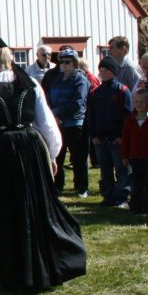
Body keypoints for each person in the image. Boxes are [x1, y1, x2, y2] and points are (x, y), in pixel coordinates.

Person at [0, 36, 87, 291]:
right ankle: (40, 267)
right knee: (34, 204)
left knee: (5, 207)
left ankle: (15, 271)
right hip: (30, 146)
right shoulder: (30, 83)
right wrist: (51, 155)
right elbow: (47, 123)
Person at [88, 56, 133, 208]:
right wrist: (93, 135)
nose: (103, 73)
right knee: (105, 169)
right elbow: (91, 116)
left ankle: (122, 197)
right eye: (101, 70)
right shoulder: (95, 92)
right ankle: (108, 196)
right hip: (100, 139)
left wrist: (122, 136)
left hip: (117, 139)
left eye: (106, 70)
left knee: (121, 169)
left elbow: (127, 116)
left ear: (113, 71)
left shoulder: (122, 91)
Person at [47, 47, 91, 198]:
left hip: (75, 123)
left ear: (74, 63)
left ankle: (81, 187)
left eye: (67, 62)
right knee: (58, 155)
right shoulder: (57, 80)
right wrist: (53, 114)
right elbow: (49, 98)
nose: (64, 65)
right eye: (61, 62)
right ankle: (58, 185)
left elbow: (78, 103)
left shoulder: (80, 80)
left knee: (78, 157)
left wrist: (56, 112)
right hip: (59, 124)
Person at [122, 87, 148, 214]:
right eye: (136, 101)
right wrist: (125, 156)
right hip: (134, 158)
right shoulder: (130, 119)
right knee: (136, 185)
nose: (139, 104)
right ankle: (135, 208)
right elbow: (126, 139)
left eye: (142, 102)